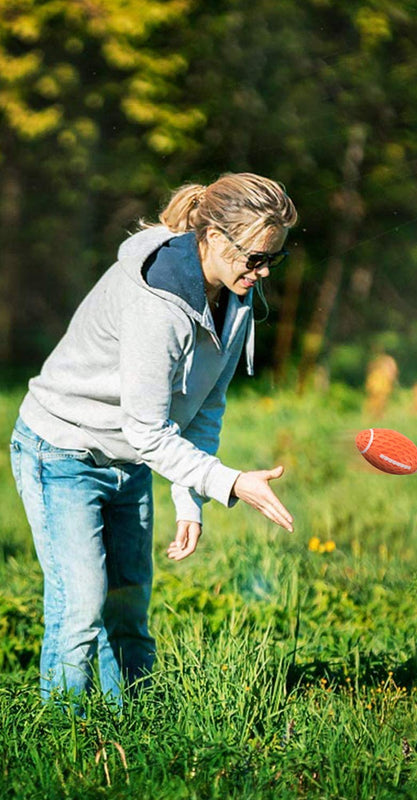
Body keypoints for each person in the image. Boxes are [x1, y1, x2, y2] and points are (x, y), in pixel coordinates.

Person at [9, 172, 297, 708]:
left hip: (130, 461)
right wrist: (230, 483)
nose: (260, 273)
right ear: (211, 238)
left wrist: (190, 499)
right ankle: (62, 743)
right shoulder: (157, 304)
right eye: (253, 257)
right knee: (81, 611)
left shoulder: (233, 301)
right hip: (64, 452)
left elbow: (203, 406)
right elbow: (147, 429)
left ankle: (138, 731)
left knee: (129, 609)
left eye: (271, 260)